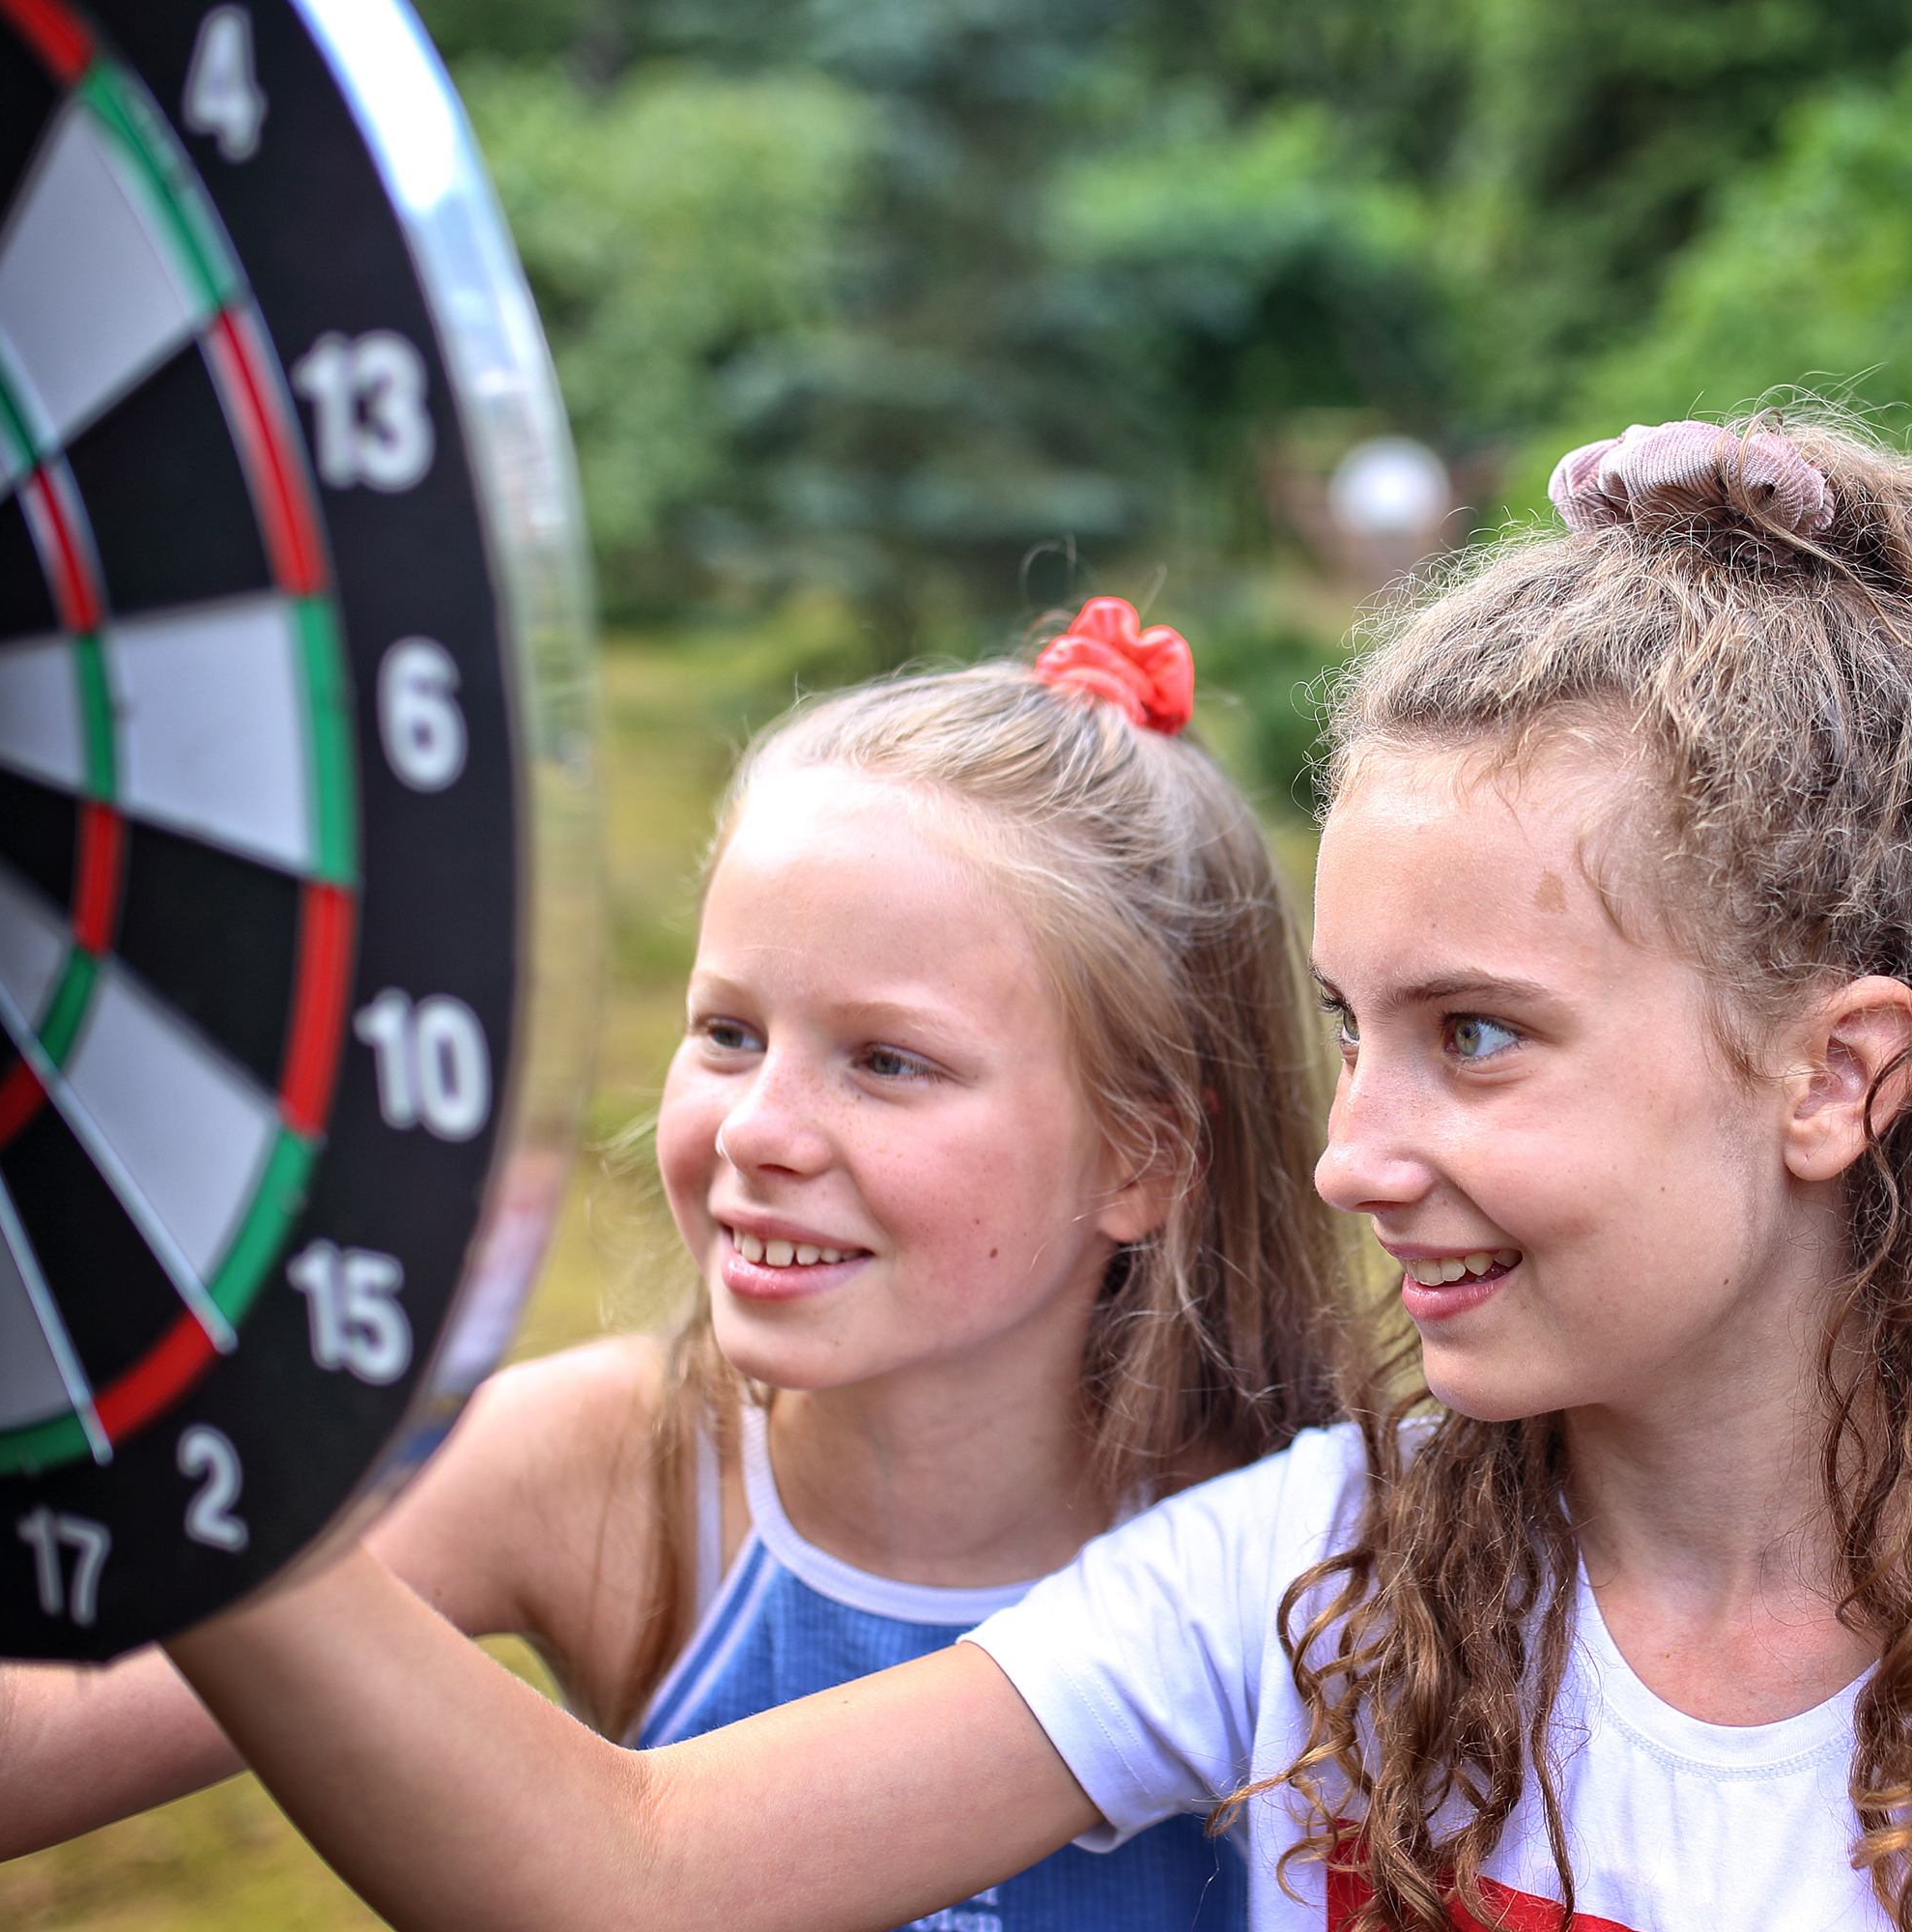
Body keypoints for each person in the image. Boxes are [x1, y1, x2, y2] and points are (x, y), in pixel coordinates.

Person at [147, 412, 1912, 1931]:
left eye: (1475, 1035)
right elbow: (634, 1875)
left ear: (1834, 1074)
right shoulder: (1315, 1575)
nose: (1346, 1155)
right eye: (1349, 1030)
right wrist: (136, 1358)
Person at [0, 598, 1346, 1931]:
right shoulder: (607, 1471)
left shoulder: (1310, 1556)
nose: (758, 1131)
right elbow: (35, 1742)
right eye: (729, 1033)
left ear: (1142, 1160)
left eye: (887, 1061)